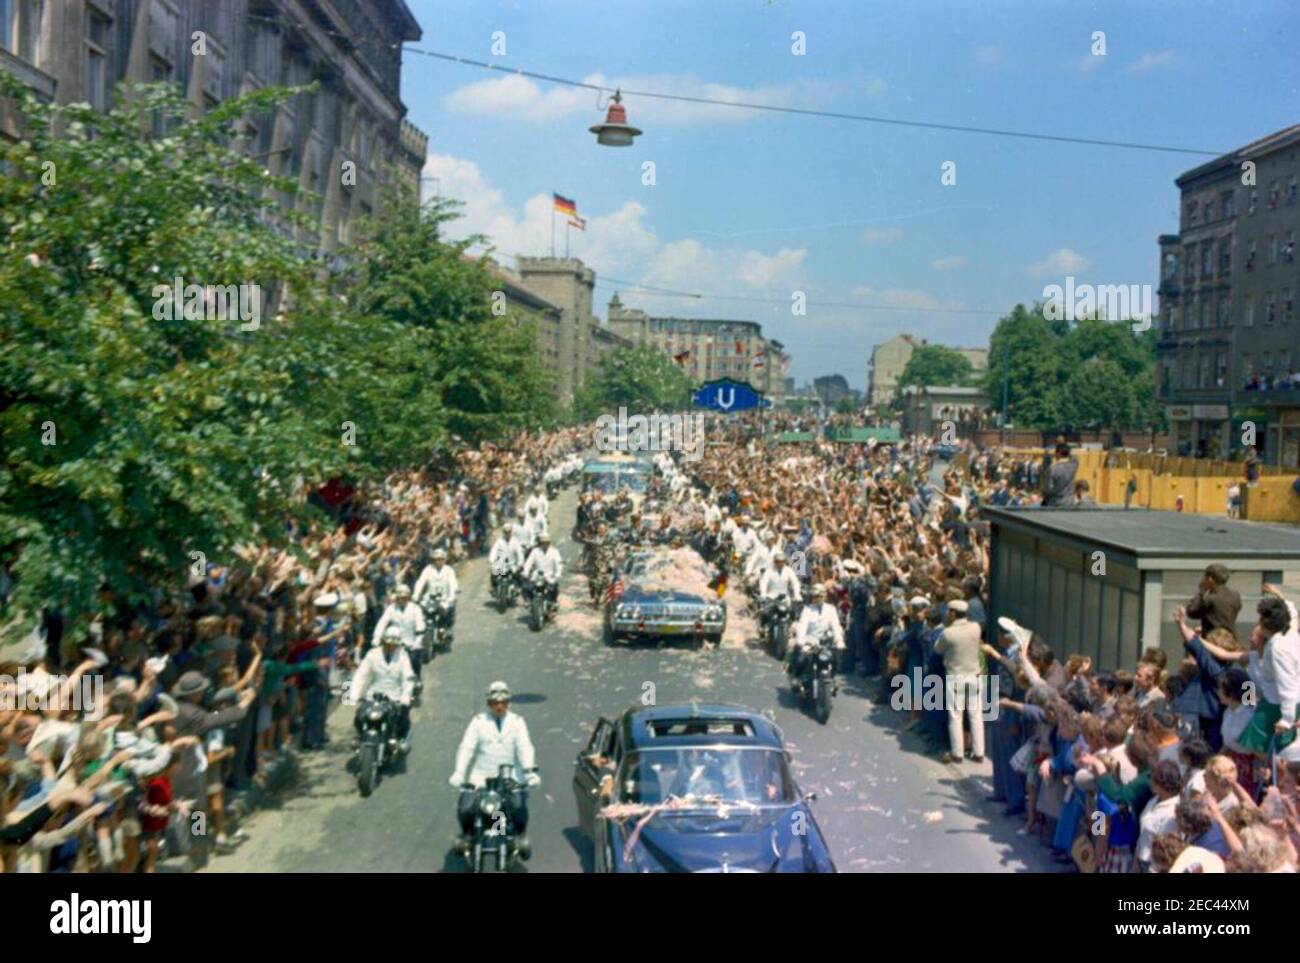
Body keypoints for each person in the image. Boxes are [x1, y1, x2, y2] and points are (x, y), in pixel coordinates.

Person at [448, 681, 539, 858]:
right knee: (465, 808)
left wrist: (529, 772)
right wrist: (459, 772)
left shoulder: (517, 722)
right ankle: (467, 838)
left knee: (519, 810)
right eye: (494, 703)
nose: (499, 706)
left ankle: (516, 840)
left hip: (509, 777)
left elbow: (525, 747)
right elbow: (466, 748)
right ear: (488, 704)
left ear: (508, 703)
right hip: (481, 776)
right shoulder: (478, 722)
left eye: (503, 702)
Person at [347, 625, 414, 753]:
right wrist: (353, 695)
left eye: (394, 645)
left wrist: (405, 698)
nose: (391, 647)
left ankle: (400, 741)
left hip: (394, 697)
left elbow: (408, 677)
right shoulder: (372, 654)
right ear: (383, 642)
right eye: (388, 644)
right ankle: (360, 737)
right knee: (360, 716)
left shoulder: (403, 656)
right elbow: (361, 674)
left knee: (402, 719)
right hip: (373, 696)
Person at [934, 598, 985, 765]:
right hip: (974, 675)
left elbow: (938, 649)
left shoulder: (948, 633)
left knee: (956, 716)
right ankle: (979, 752)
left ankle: (958, 753)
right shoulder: (976, 628)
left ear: (953, 613)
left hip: (956, 676)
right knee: (975, 714)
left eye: (949, 611)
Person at [788, 583, 844, 676]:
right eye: (814, 596)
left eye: (819, 596)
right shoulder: (807, 610)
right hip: (810, 641)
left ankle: (832, 679)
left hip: (826, 643)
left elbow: (836, 626)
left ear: (824, 596)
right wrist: (801, 640)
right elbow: (802, 625)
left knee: (836, 660)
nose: (816, 599)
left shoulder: (831, 609)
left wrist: (839, 640)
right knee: (800, 659)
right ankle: (796, 677)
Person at [371, 583, 426, 677]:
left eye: (404, 597)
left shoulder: (415, 608)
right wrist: (376, 637)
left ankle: (416, 677)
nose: (402, 600)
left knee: (414, 660)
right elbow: (382, 623)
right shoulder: (391, 609)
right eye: (399, 597)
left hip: (412, 643)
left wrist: (418, 639)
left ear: (408, 597)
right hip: (395, 642)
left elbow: (420, 624)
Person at [413, 547, 459, 643]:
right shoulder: (428, 570)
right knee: (422, 613)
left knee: (446, 610)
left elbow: (453, 583)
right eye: (436, 559)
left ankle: (445, 628)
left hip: (445, 598)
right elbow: (420, 582)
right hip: (430, 598)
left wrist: (453, 593)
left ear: (444, 560)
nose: (438, 561)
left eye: (441, 559)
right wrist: (416, 594)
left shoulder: (449, 570)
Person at [1185, 564, 1242, 636]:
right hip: (1230, 639)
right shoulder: (1236, 596)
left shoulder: (1211, 599)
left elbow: (1191, 612)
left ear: (1210, 579)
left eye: (1204, 577)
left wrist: (1201, 592)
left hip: (1214, 641)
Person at [522, 531, 563, 608]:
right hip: (537, 576)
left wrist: (558, 573)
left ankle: (553, 602)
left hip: (549, 576)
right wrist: (526, 572)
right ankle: (528, 601)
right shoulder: (535, 551)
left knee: (554, 588)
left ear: (549, 542)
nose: (545, 544)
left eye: (546, 542)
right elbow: (528, 562)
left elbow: (558, 563)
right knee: (526, 587)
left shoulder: (554, 552)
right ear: (540, 543)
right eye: (543, 542)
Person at [488, 522, 525, 592]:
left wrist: (520, 563)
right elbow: (494, 550)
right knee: (494, 572)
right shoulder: (499, 541)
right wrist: (492, 560)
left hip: (512, 566)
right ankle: (493, 587)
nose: (507, 533)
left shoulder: (515, 541)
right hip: (501, 566)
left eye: (509, 532)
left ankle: (517, 589)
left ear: (511, 531)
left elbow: (520, 553)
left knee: (518, 576)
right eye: (506, 532)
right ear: (503, 532)